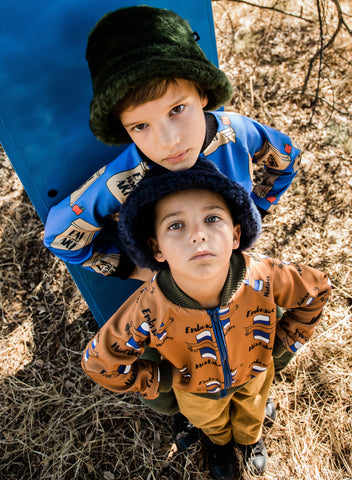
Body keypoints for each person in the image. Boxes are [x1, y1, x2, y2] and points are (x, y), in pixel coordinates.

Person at [81, 159, 331, 480]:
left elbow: (316, 289)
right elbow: (100, 363)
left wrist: (282, 347)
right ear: (156, 249)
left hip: (255, 373)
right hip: (195, 391)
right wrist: (162, 382)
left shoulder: (263, 276)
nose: (198, 235)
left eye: (212, 218)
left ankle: (249, 440)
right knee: (210, 422)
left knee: (252, 413)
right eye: (176, 225)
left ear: (236, 234)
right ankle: (220, 444)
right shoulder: (149, 306)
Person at [43, 5, 301, 282]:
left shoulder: (237, 132)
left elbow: (287, 160)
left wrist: (256, 208)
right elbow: (60, 235)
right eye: (141, 126)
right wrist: (131, 268)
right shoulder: (126, 176)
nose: (169, 142)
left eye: (177, 110)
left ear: (201, 93)